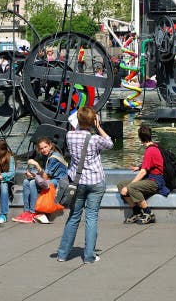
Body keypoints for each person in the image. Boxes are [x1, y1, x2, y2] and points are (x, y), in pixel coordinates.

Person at [57, 107, 113, 263]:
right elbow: (110, 144)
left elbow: (75, 128)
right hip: (95, 181)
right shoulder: (95, 139)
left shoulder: (69, 136)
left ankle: (62, 254)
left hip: (78, 182)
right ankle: (89, 256)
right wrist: (99, 126)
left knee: (73, 217)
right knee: (91, 218)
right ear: (93, 121)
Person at [118, 125, 168, 225]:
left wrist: (128, 187)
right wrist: (140, 166)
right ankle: (136, 211)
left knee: (131, 187)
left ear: (140, 138)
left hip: (155, 181)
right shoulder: (153, 147)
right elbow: (150, 164)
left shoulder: (150, 150)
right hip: (150, 178)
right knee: (121, 185)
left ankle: (148, 213)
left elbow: (144, 172)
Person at [14, 137, 68, 224]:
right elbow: (45, 175)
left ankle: (33, 212)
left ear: (50, 146)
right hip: (52, 179)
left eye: (45, 147)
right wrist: (33, 175)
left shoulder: (53, 158)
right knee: (26, 182)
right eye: (41, 148)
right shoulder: (47, 156)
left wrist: (36, 165)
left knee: (32, 183)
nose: (43, 150)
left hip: (60, 182)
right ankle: (26, 212)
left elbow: (45, 177)